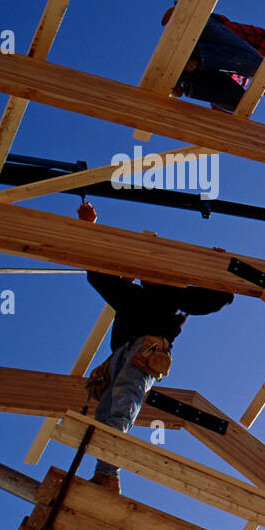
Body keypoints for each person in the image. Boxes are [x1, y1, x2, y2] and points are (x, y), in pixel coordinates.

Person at [76, 202, 234, 493]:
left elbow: (210, 300)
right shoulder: (132, 293)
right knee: (105, 414)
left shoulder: (174, 295)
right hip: (121, 354)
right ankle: (103, 473)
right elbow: (98, 275)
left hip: (146, 352)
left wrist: (219, 271)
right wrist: (89, 228)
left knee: (123, 405)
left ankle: (108, 475)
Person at [162, 5, 265, 112]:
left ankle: (187, 78)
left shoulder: (241, 71)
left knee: (242, 103)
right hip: (210, 31)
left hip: (208, 58)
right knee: (259, 67)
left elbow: (219, 96)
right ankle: (186, 19)